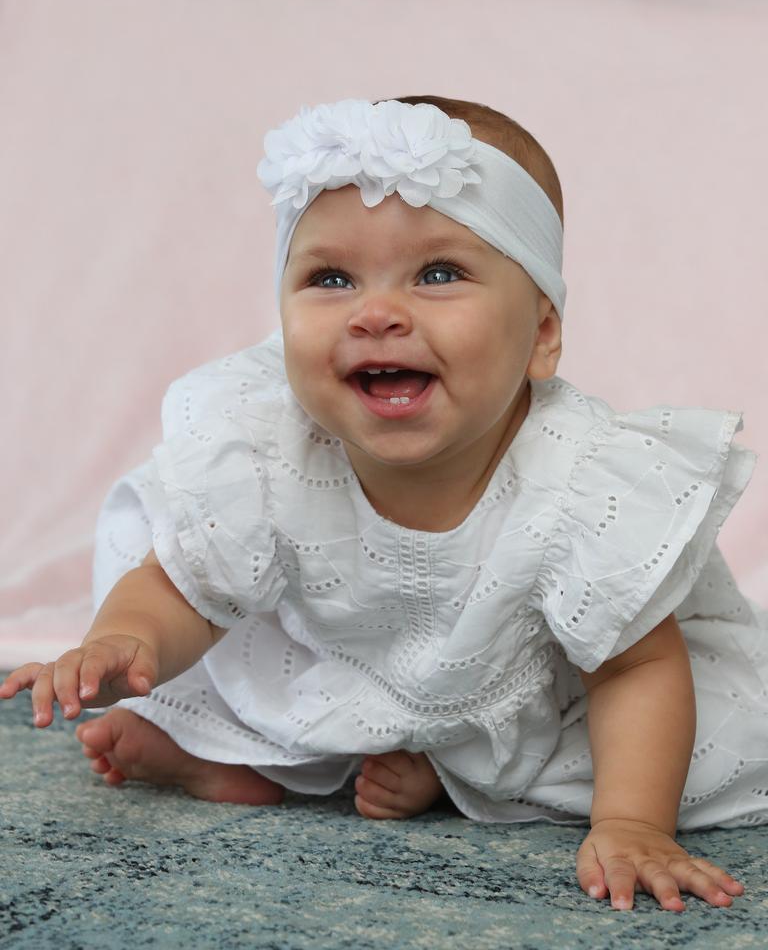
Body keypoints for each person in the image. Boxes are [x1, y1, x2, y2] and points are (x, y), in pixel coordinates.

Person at [1, 95, 764, 913]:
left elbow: (635, 668)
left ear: (543, 332)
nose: (375, 313)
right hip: (334, 659)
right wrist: (126, 638)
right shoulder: (266, 447)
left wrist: (631, 822)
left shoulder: (580, 481)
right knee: (197, 623)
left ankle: (454, 768)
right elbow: (188, 586)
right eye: (330, 278)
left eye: (439, 274)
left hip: (536, 688)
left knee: (676, 743)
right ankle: (232, 756)